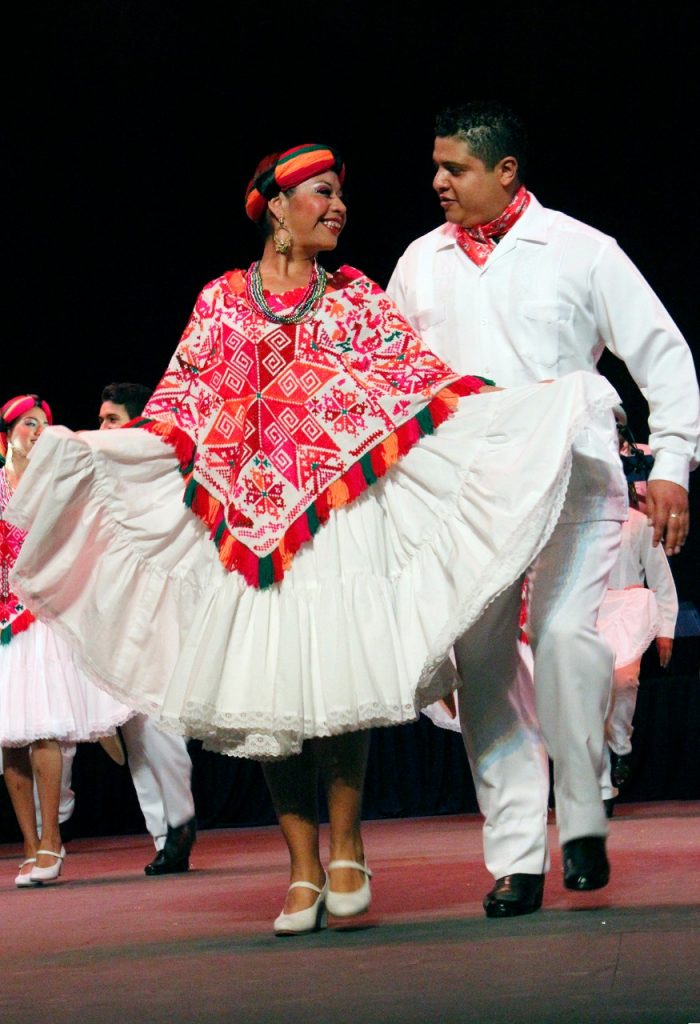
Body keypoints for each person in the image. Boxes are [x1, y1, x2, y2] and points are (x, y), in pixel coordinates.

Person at [8, 144, 618, 932]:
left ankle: (348, 848)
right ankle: (300, 867)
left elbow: (425, 388)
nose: (338, 207)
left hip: (335, 523)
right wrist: (91, 448)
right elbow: (178, 408)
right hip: (244, 530)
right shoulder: (223, 302)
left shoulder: (356, 300)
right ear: (277, 209)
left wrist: (537, 406)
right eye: (323, 194)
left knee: (337, 689)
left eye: (340, 195)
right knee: (271, 698)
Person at [387, 100, 700, 917]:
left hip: (576, 472)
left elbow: (662, 352)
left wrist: (671, 463)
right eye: (436, 166)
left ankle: (586, 812)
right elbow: (390, 388)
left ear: (505, 172)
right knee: (484, 666)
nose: (438, 182)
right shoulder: (419, 263)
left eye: (454, 168)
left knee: (565, 638)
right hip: (473, 491)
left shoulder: (581, 250)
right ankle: (518, 858)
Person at [0, 395, 132, 886]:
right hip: (3, 626)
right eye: (29, 424)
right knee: (10, 739)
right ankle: (30, 847)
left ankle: (53, 840)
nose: (38, 431)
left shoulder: (54, 485)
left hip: (43, 619)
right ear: (8, 432)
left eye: (45, 425)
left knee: (43, 729)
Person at [98, 383, 197, 876]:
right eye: (101, 420)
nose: (103, 430)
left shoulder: (161, 468)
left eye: (111, 420)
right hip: (121, 606)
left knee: (157, 717)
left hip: (162, 604)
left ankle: (180, 821)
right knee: (134, 725)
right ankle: (163, 833)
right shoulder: (105, 475)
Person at [599, 484, 679, 814]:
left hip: (628, 609)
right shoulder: (573, 528)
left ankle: (620, 744)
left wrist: (666, 631)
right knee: (588, 698)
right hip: (590, 613)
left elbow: (661, 580)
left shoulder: (638, 523)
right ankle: (602, 786)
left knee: (623, 682)